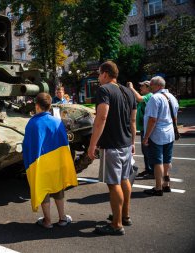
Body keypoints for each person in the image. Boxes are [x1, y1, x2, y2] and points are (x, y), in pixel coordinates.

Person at [88, 61, 136, 236]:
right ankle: (125, 216)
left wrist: (92, 145)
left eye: (99, 74)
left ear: (106, 74)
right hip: (125, 144)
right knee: (125, 180)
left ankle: (116, 225)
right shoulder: (128, 91)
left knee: (113, 184)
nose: (98, 77)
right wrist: (132, 143)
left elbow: (102, 117)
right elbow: (132, 121)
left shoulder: (104, 90)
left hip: (111, 145)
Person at [22, 92, 78, 229]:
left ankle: (47, 221)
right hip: (56, 163)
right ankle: (62, 218)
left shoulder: (32, 123)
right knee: (58, 189)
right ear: (49, 106)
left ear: (37, 106)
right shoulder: (57, 122)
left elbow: (27, 146)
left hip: (40, 164)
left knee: (44, 190)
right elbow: (65, 146)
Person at [142, 76, 179, 196]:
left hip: (157, 134)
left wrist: (146, 136)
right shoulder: (172, 97)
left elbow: (152, 119)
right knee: (167, 160)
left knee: (158, 161)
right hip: (169, 133)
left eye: (151, 85)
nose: (150, 87)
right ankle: (166, 184)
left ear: (158, 86)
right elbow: (175, 117)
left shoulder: (155, 98)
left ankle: (158, 188)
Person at [127, 80, 153, 179]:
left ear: (148, 88)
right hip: (143, 128)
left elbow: (139, 98)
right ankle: (148, 169)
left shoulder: (149, 96)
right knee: (145, 150)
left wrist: (131, 88)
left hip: (147, 128)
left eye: (142, 86)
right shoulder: (147, 96)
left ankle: (151, 171)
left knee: (147, 150)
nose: (140, 88)